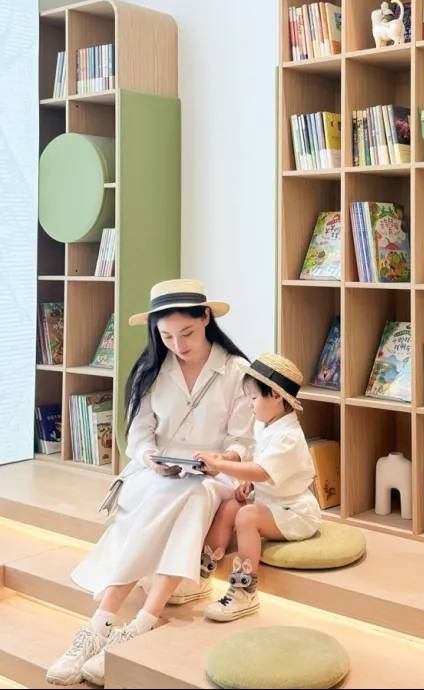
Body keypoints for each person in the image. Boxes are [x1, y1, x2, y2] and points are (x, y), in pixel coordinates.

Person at [47, 279, 254, 687]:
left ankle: (112, 622)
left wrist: (220, 461)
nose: (178, 344)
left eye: (187, 333)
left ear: (206, 318)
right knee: (175, 494)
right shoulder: (151, 369)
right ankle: (119, 625)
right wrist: (150, 460)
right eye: (167, 336)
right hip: (157, 473)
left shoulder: (236, 371)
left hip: (215, 475)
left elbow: (243, 441)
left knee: (193, 493)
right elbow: (139, 436)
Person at [194, 352, 322, 622]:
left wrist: (221, 465)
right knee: (230, 505)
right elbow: (260, 468)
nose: (250, 405)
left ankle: (245, 592)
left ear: (275, 395)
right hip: (272, 503)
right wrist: (248, 485)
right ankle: (203, 573)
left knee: (246, 516)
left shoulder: (288, 437)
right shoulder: (267, 426)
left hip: (295, 512)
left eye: (253, 398)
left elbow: (262, 471)